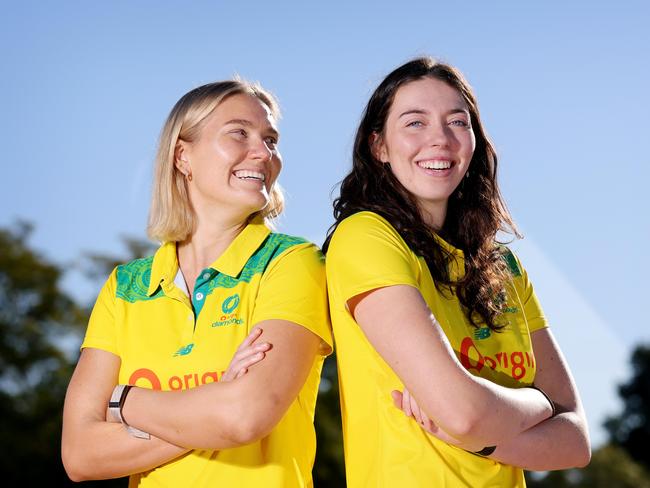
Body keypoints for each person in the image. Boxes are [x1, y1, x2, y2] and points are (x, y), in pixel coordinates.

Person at [323, 57, 590, 487]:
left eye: (457, 122)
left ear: (474, 142)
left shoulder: (504, 266)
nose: (440, 140)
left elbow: (576, 442)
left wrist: (485, 440)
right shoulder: (366, 237)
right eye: (415, 123)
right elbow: (464, 413)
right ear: (380, 147)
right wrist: (539, 405)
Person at [62, 79, 332, 487]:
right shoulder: (125, 287)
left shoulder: (292, 262)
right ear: (183, 156)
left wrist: (125, 402)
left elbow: (244, 417)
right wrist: (214, 405)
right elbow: (81, 455)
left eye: (271, 140)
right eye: (239, 133)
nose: (263, 153)